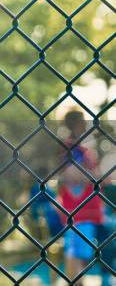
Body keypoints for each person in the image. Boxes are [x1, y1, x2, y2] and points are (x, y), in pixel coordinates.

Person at [58, 109, 105, 285]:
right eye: (83, 122)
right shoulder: (71, 148)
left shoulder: (83, 149)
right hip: (78, 209)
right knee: (75, 250)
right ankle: (75, 282)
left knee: (82, 252)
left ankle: (78, 281)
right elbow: (72, 174)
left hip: (86, 209)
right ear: (76, 125)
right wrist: (94, 174)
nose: (86, 125)